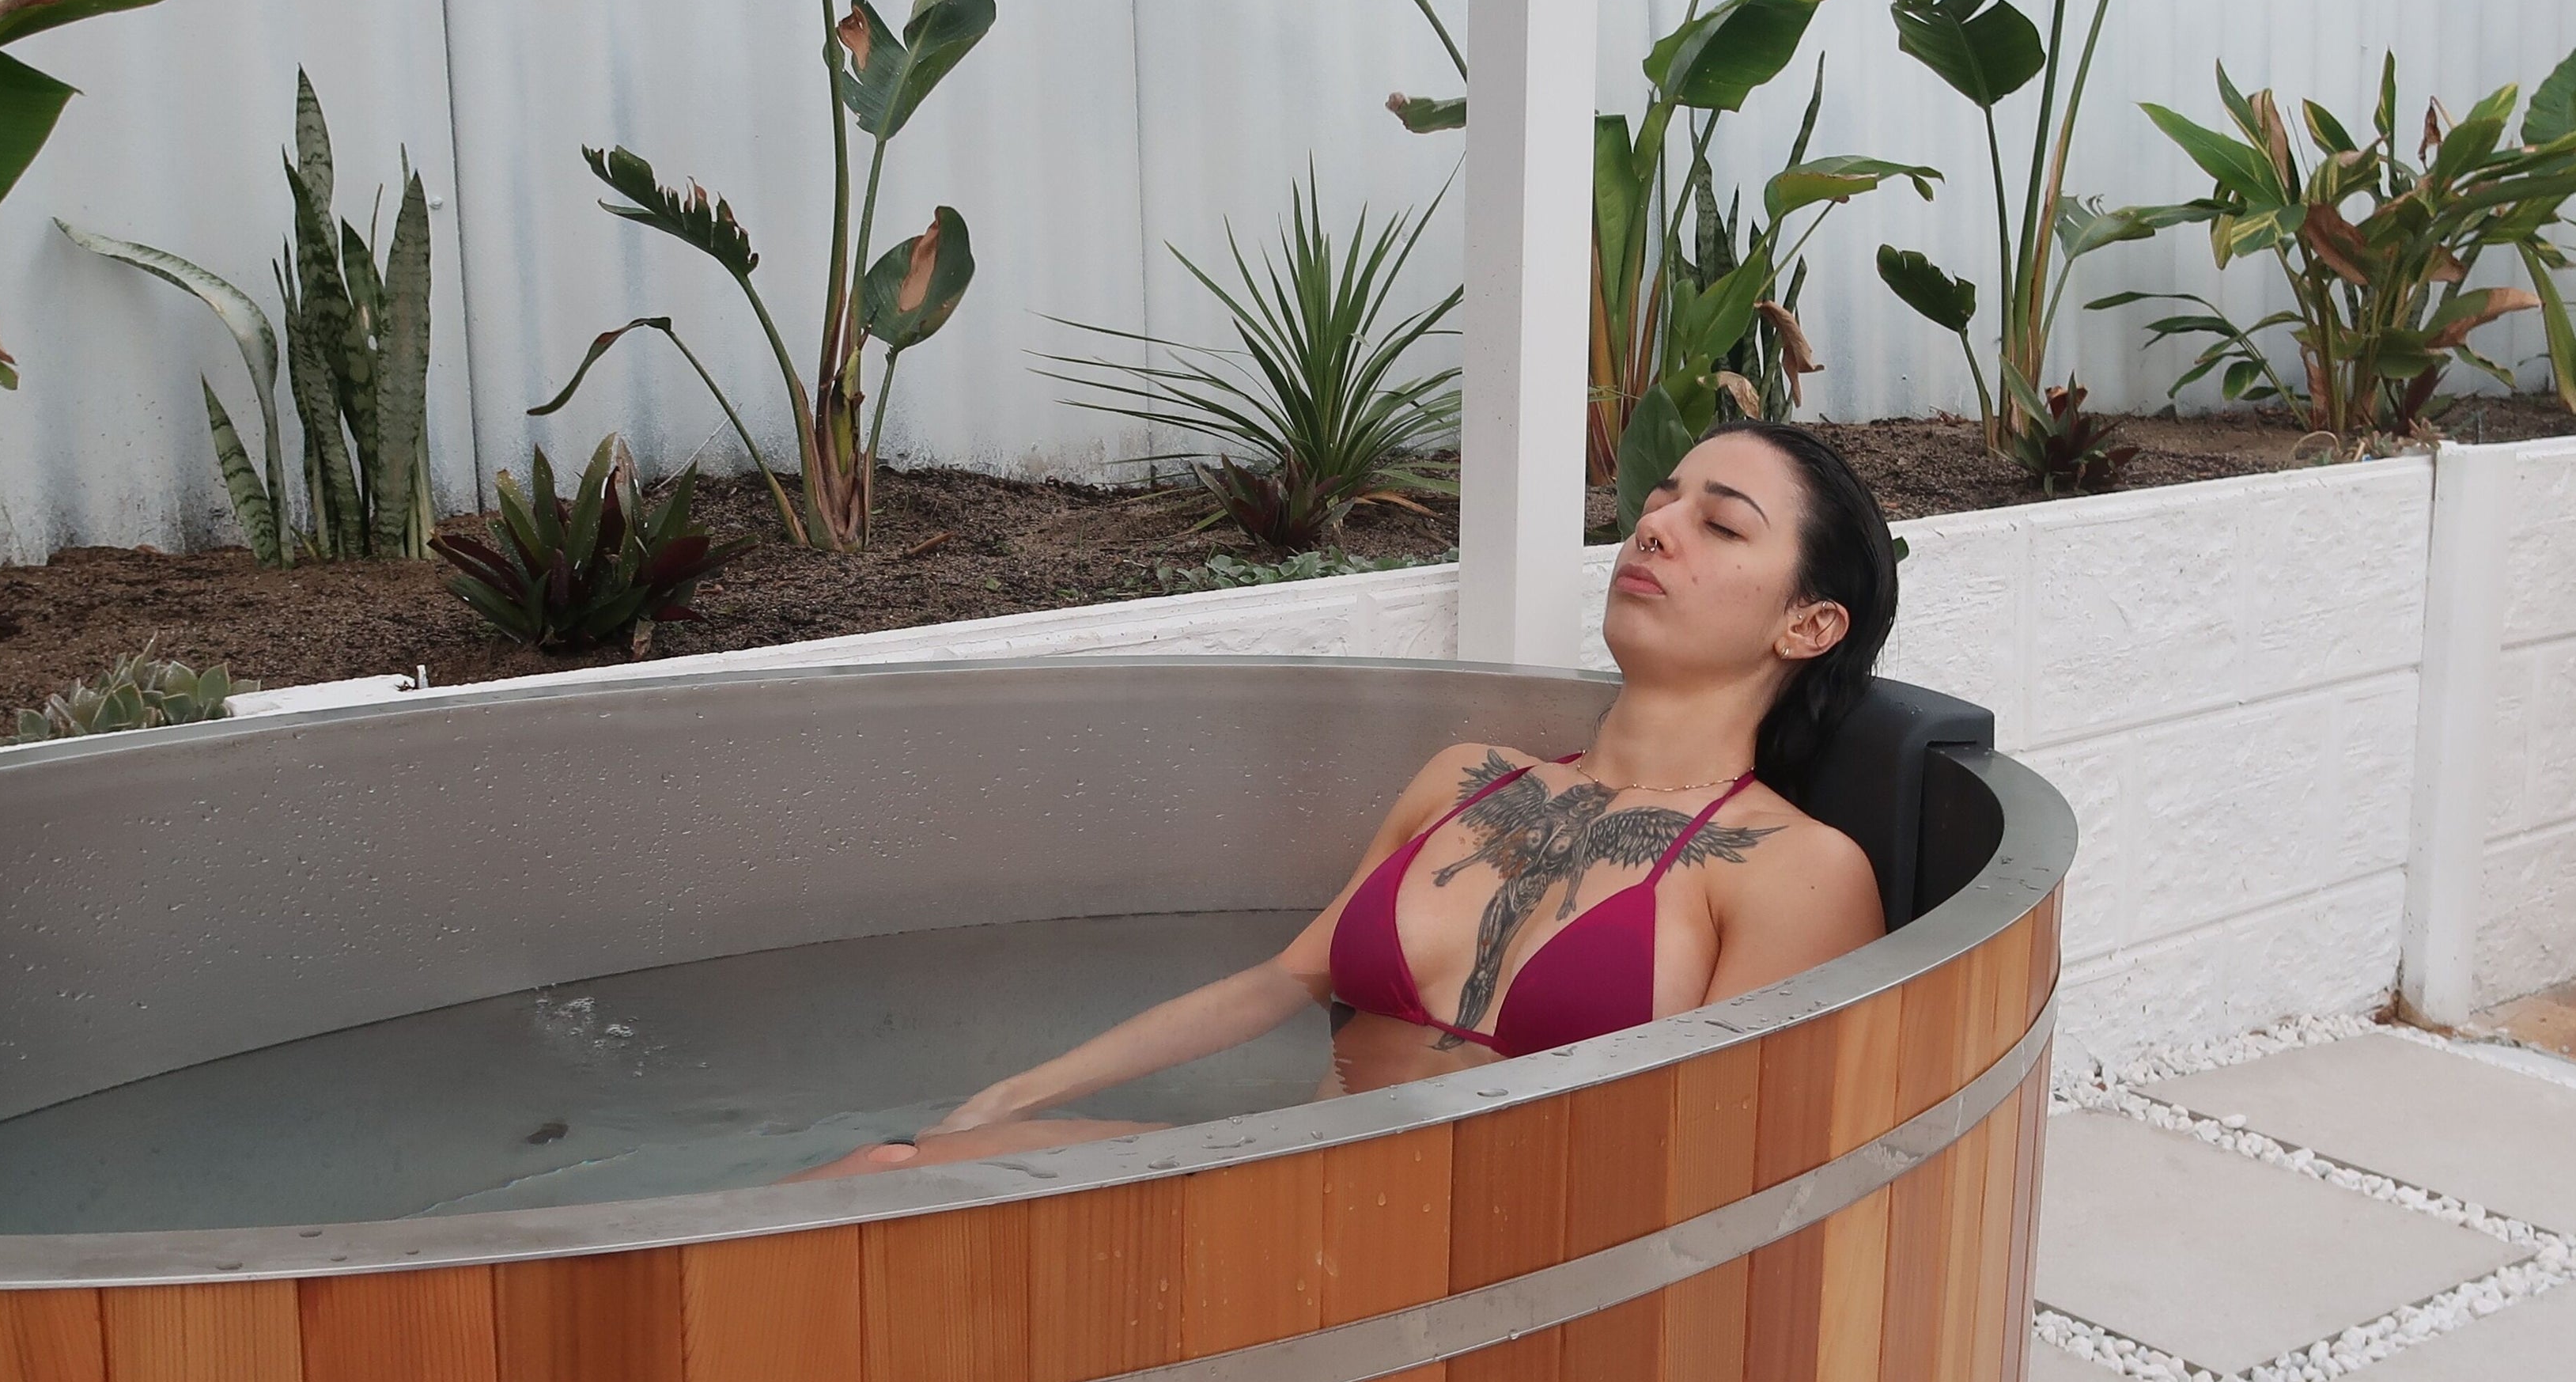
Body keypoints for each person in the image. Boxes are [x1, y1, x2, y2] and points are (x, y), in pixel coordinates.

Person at [793, 418, 1899, 1179]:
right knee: (887, 1172)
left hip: (1499, 1266)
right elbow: (1280, 981)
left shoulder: (1795, 870)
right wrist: (1012, 1096)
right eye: (1659, 500)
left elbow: (1727, 1165)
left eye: (1722, 525)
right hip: (1297, 1189)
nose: (1654, 527)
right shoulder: (1469, 779)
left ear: (1809, 625)